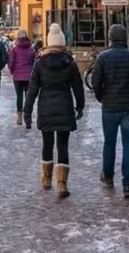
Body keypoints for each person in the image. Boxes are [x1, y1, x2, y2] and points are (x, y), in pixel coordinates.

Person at [89, 23, 129, 199]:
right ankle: (128, 184)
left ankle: (108, 177)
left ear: (110, 38)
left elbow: (96, 82)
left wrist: (102, 97)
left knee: (109, 143)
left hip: (110, 106)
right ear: (126, 38)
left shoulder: (103, 57)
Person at [23, 23, 85, 199]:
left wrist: (27, 112)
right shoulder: (70, 62)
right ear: (62, 43)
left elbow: (32, 90)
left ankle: (46, 179)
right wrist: (79, 106)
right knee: (63, 145)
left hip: (46, 108)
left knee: (47, 143)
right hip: (65, 107)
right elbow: (78, 87)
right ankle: (62, 184)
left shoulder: (39, 64)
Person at [7, 28, 37, 126]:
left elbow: (11, 63)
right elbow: (34, 63)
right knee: (28, 97)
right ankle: (28, 117)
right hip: (28, 76)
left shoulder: (14, 49)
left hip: (17, 77)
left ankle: (19, 116)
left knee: (19, 96)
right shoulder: (31, 49)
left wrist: (12, 71)